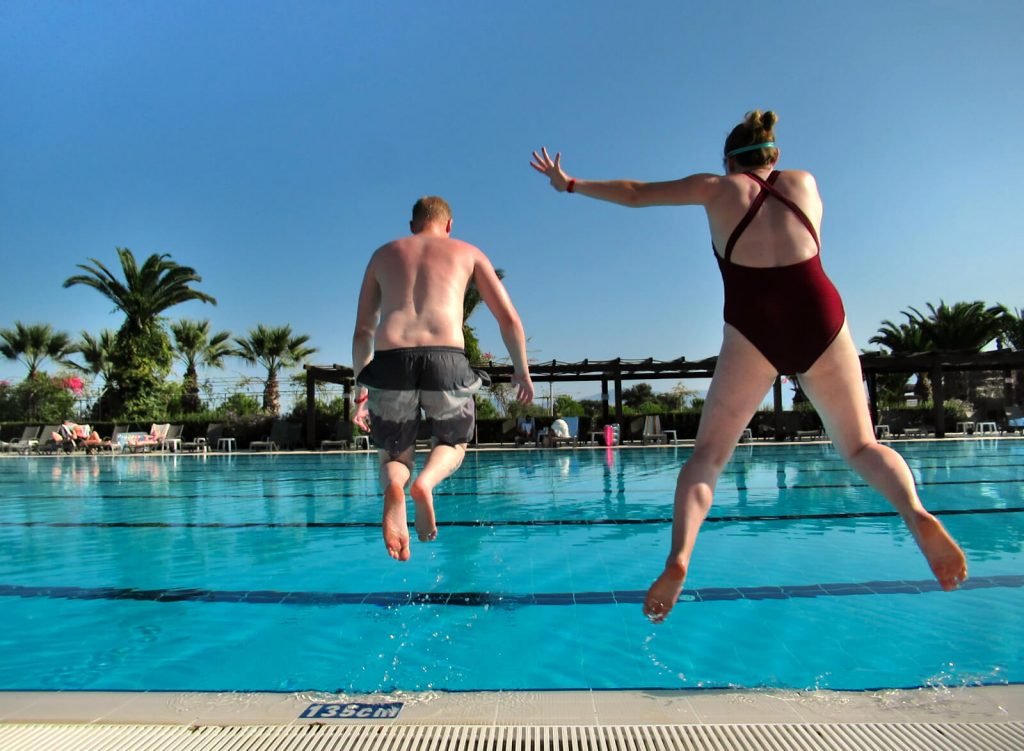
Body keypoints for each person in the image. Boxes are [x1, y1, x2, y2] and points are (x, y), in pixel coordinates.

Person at [530, 110, 968, 622]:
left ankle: (680, 556)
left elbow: (634, 192)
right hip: (818, 314)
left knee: (709, 458)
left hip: (752, 324)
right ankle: (914, 512)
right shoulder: (804, 182)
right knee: (860, 444)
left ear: (727, 160)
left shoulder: (715, 189)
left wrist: (570, 183)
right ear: (775, 154)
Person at [352, 196, 534, 561]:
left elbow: (362, 333)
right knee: (454, 441)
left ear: (411, 226)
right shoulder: (468, 252)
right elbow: (509, 319)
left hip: (390, 360)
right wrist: (521, 370)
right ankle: (426, 483)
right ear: (449, 225)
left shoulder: (382, 255)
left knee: (393, 449)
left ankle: (396, 487)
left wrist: (360, 391)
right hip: (446, 359)